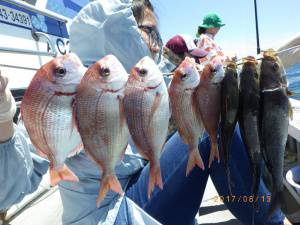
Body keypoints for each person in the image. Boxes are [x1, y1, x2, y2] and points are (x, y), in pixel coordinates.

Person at [0, 1, 288, 225]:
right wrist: (3, 117)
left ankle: (262, 211)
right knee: (207, 134)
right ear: (121, 30)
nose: (155, 44)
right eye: (149, 32)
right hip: (111, 217)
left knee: (220, 117)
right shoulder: (81, 89)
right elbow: (8, 189)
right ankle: (271, 219)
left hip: (139, 196)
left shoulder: (145, 82)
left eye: (157, 36)